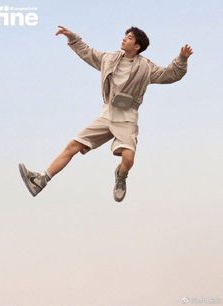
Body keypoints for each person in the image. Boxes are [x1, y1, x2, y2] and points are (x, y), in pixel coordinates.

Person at [19, 25, 193, 202]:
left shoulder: (145, 67)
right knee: (73, 146)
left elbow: (168, 75)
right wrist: (72, 37)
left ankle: (121, 176)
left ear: (137, 46)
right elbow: (88, 52)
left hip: (127, 118)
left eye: (130, 38)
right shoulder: (109, 59)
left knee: (128, 158)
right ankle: (41, 180)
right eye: (125, 36)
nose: (124, 39)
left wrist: (182, 58)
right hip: (108, 114)